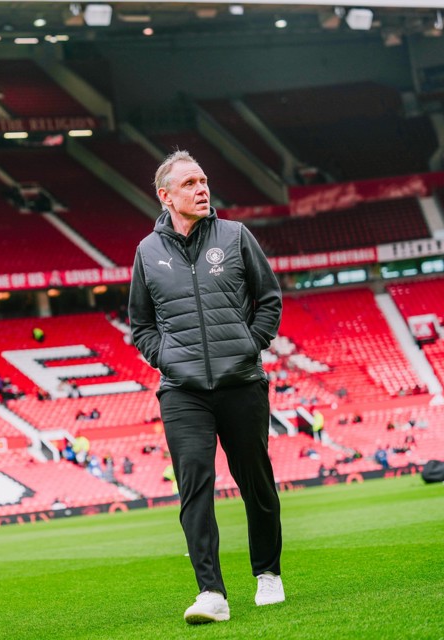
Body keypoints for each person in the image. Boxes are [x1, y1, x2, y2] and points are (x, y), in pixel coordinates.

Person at [128, 151, 284, 625]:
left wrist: (248, 346)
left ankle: (268, 573)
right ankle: (211, 593)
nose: (201, 188)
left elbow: (269, 299)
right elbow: (141, 325)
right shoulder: (146, 252)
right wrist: (169, 359)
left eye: (204, 180)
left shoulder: (236, 236)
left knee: (255, 481)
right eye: (190, 183)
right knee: (194, 484)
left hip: (241, 383)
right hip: (183, 392)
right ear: (166, 195)